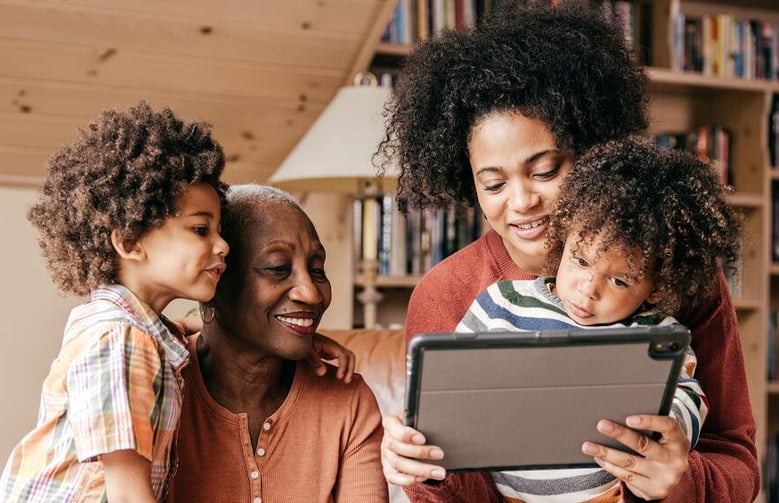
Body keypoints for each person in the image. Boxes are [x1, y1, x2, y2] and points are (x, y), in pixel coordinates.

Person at [375, 1, 760, 502]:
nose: (521, 202)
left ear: (592, 152)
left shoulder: (675, 272)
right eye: (493, 183)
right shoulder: (448, 294)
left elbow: (738, 461)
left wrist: (680, 480)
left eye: (545, 171)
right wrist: (424, 467)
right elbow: (452, 484)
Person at [457, 137, 741, 501]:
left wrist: (658, 437)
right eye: (580, 261)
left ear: (654, 291)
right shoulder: (502, 304)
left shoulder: (658, 339)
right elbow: (449, 381)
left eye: (619, 280)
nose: (588, 290)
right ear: (562, 240)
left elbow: (687, 400)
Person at [0, 101, 230, 502]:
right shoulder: (119, 339)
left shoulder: (131, 328)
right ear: (128, 242)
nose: (222, 245)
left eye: (219, 230)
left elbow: (188, 332)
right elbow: (127, 493)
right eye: (200, 229)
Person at [166, 184, 389, 503]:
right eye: (278, 269)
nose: (311, 294)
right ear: (216, 278)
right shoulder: (159, 383)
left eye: (317, 270)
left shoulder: (347, 401)